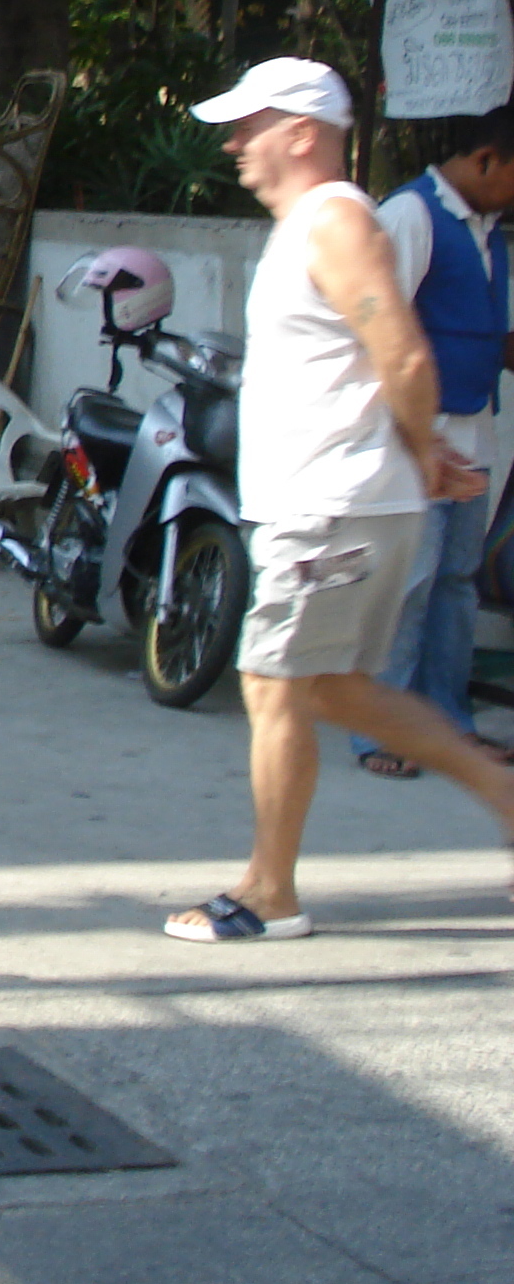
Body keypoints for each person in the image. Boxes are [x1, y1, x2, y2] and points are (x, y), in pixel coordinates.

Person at [163, 59, 514, 943]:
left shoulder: (334, 219)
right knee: (338, 692)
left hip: (332, 504)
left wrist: (420, 450)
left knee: (272, 684)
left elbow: (404, 355)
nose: (235, 141)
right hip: (333, 500)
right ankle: (504, 796)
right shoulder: (312, 225)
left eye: (251, 123)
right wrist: (417, 452)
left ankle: (269, 894)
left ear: (303, 132)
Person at [355, 105, 514, 777]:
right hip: (417, 445)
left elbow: (476, 330)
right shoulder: (411, 216)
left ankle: (448, 724)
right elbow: (379, 334)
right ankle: (379, 733)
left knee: (455, 586)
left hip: (471, 436)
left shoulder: (489, 232)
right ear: (485, 161)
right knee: (409, 586)